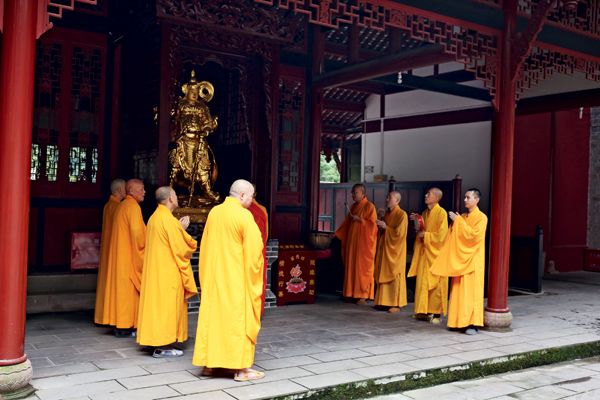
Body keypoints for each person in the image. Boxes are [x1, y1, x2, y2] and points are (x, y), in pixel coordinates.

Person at [193, 179, 265, 381]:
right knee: (237, 323)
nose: (252, 201)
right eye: (251, 197)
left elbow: (204, 245)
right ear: (242, 196)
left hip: (215, 280)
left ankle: (210, 366)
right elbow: (254, 253)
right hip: (236, 282)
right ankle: (241, 369)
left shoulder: (215, 213)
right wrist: (255, 277)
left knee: (214, 321)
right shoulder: (244, 216)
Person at [137, 187, 198, 357]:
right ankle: (163, 346)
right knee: (167, 308)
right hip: (167, 274)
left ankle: (155, 340)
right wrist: (183, 229)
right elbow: (182, 248)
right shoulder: (168, 220)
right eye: (176, 196)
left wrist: (178, 229)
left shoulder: (155, 217)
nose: (177, 198)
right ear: (170, 198)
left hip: (156, 271)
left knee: (157, 307)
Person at [430, 188, 488, 335]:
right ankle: (456, 322)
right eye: (465, 197)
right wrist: (456, 223)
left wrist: (459, 222)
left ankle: (472, 324)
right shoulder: (462, 216)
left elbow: (474, 237)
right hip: (460, 259)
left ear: (477, 200)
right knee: (457, 292)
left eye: (468, 198)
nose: (465, 200)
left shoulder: (482, 218)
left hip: (473, 261)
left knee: (471, 293)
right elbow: (454, 237)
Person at [104, 179, 146, 336]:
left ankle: (121, 325)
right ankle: (125, 326)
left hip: (122, 256)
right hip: (128, 258)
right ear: (132, 191)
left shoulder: (123, 205)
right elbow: (139, 236)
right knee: (127, 293)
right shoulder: (133, 207)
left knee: (121, 292)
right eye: (141, 189)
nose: (144, 192)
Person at [169, 70, 220, 203]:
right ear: (186, 91)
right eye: (192, 91)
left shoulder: (202, 107)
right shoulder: (180, 105)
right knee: (176, 164)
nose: (194, 94)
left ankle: (207, 190)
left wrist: (208, 127)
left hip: (199, 140)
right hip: (183, 140)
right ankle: (169, 190)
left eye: (196, 92)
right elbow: (173, 120)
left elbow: (207, 122)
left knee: (203, 165)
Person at [407, 187, 449, 324]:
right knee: (422, 284)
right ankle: (423, 312)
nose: (425, 195)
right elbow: (421, 230)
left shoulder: (441, 213)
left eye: (429, 194)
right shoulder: (425, 213)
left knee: (436, 285)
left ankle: (436, 314)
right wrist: (417, 220)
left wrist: (425, 235)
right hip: (425, 254)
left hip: (436, 255)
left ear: (436, 198)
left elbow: (442, 236)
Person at [335, 183, 378, 304]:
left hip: (364, 246)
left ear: (363, 193)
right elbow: (346, 224)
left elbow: (373, 227)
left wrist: (360, 220)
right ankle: (351, 293)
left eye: (355, 192)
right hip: (353, 244)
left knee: (362, 269)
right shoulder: (353, 207)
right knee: (351, 268)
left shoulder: (370, 207)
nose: (353, 194)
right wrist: (337, 234)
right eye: (352, 192)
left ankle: (363, 295)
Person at [94, 179, 126, 325]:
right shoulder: (118, 207)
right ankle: (113, 318)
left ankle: (103, 316)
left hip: (108, 249)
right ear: (120, 190)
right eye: (125, 188)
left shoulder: (109, 205)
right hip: (115, 249)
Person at [374, 191, 408, 313]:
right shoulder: (388, 214)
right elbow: (384, 230)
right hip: (386, 249)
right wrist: (381, 225)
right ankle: (383, 302)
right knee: (383, 271)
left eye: (390, 197)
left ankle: (395, 304)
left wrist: (386, 228)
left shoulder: (402, 215)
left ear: (397, 201)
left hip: (395, 252)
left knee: (394, 274)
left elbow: (399, 234)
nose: (387, 199)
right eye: (387, 197)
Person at [248, 187, 269, 315]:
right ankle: (257, 311)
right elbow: (266, 234)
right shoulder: (262, 210)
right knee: (258, 280)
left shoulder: (242, 210)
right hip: (259, 249)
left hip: (244, 251)